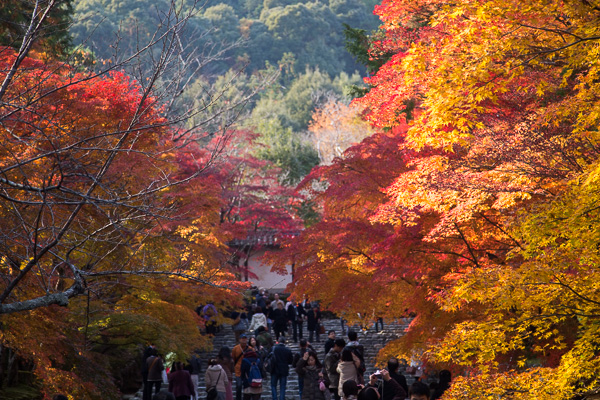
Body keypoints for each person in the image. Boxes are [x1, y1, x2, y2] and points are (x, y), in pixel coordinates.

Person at [232, 334, 254, 400]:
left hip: (247, 370)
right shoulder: (235, 348)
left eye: (245, 338)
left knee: (246, 386)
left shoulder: (250, 349)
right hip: (238, 369)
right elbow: (233, 358)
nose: (244, 340)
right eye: (242, 338)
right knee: (238, 385)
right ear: (239, 339)